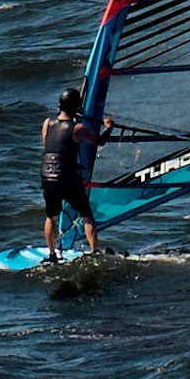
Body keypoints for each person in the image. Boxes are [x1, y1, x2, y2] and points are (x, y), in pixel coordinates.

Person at [38, 87, 109, 260]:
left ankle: (52, 253)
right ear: (77, 107)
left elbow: (48, 146)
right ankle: (94, 253)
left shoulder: (48, 123)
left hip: (47, 175)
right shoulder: (77, 128)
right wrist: (108, 127)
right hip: (66, 178)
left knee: (51, 216)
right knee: (87, 215)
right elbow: (99, 142)